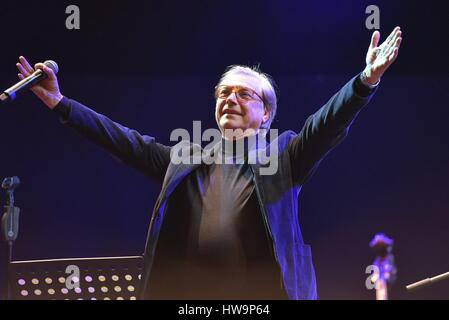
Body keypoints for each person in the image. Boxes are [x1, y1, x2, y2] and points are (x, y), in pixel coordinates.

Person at [15, 27, 402, 300]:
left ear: (266, 114)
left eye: (244, 94)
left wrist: (363, 82)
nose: (230, 99)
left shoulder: (284, 153)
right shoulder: (185, 158)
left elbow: (325, 125)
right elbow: (123, 141)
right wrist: (61, 104)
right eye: (224, 92)